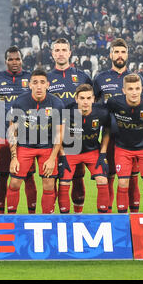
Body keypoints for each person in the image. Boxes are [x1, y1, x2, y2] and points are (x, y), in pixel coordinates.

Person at [93, 38, 143, 213]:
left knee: (132, 178)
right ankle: (108, 218)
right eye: (116, 52)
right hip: (109, 136)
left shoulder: (136, 79)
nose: (119, 55)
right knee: (108, 176)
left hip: (131, 138)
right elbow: (94, 105)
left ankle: (134, 219)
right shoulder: (100, 78)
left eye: (123, 52)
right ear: (110, 55)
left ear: (127, 55)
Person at [0, 46, 38, 214]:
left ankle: (31, 214)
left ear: (22, 60)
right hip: (2, 134)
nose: (14, 62)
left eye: (17, 59)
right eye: (11, 59)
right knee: (2, 176)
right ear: (6, 60)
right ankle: (1, 215)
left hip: (27, 135)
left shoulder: (30, 78)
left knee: (28, 176)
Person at [6, 68, 65, 214]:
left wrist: (52, 158)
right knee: (14, 182)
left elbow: (59, 134)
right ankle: (10, 218)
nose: (39, 86)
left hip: (47, 147)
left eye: (42, 82)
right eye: (35, 82)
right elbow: (12, 130)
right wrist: (14, 158)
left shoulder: (57, 104)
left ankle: (47, 220)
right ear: (30, 85)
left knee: (49, 184)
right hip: (25, 146)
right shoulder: (20, 102)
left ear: (48, 85)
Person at [106, 74, 143, 213]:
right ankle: (122, 218)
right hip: (123, 148)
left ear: (141, 89)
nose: (134, 92)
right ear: (123, 90)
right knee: (122, 182)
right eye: (130, 89)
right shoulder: (114, 102)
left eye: (137, 88)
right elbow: (104, 117)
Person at [47, 38, 93, 214]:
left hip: (78, 135)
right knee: (53, 177)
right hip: (52, 135)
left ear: (69, 52)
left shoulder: (82, 76)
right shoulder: (47, 79)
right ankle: (53, 217)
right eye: (57, 50)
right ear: (52, 54)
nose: (60, 53)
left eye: (63, 50)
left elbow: (92, 103)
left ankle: (77, 214)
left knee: (78, 176)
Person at [58, 84, 111, 213]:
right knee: (64, 183)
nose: (85, 102)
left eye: (88, 98)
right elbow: (57, 135)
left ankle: (102, 218)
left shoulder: (102, 113)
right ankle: (65, 219)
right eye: (82, 98)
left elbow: (107, 130)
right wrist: (62, 155)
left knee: (103, 180)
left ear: (93, 99)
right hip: (70, 152)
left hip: (92, 151)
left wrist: (103, 153)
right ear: (76, 99)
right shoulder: (66, 112)